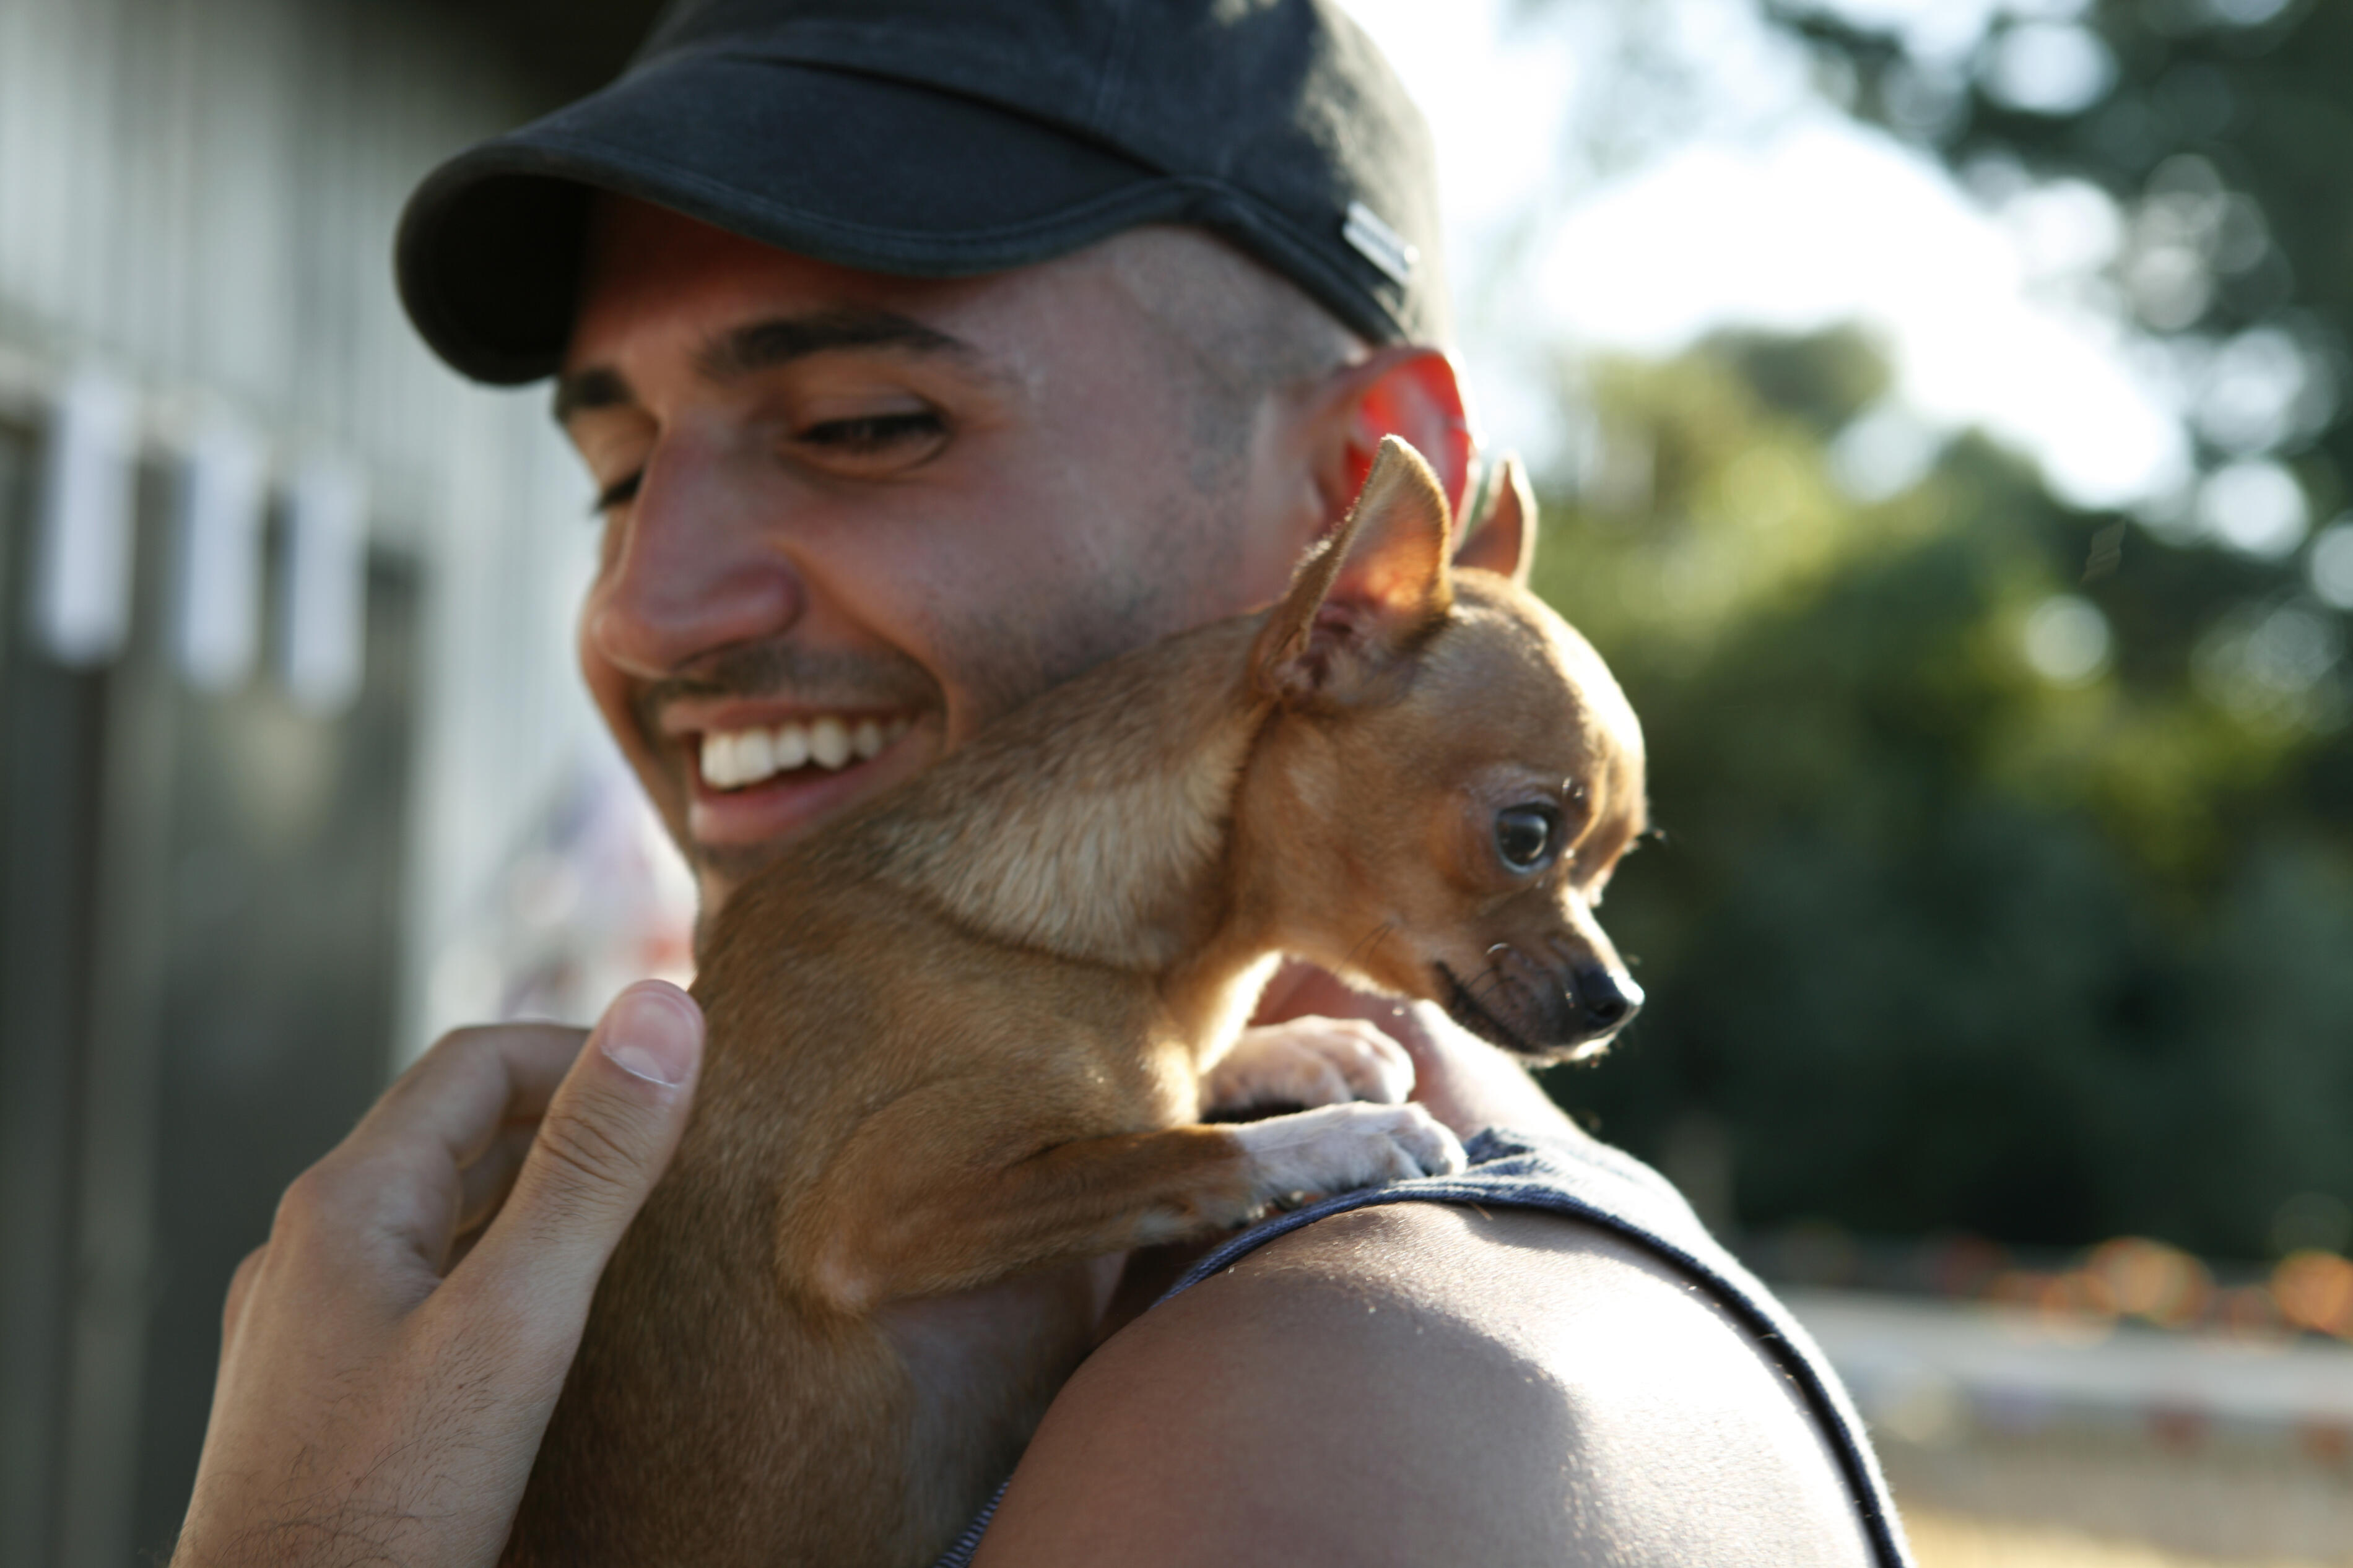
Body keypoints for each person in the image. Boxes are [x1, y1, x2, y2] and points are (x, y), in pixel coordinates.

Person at [173, 2, 1912, 1564]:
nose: (643, 606)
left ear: (1355, 516)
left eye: (867, 424)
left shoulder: (1369, 1412)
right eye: (615, 480)